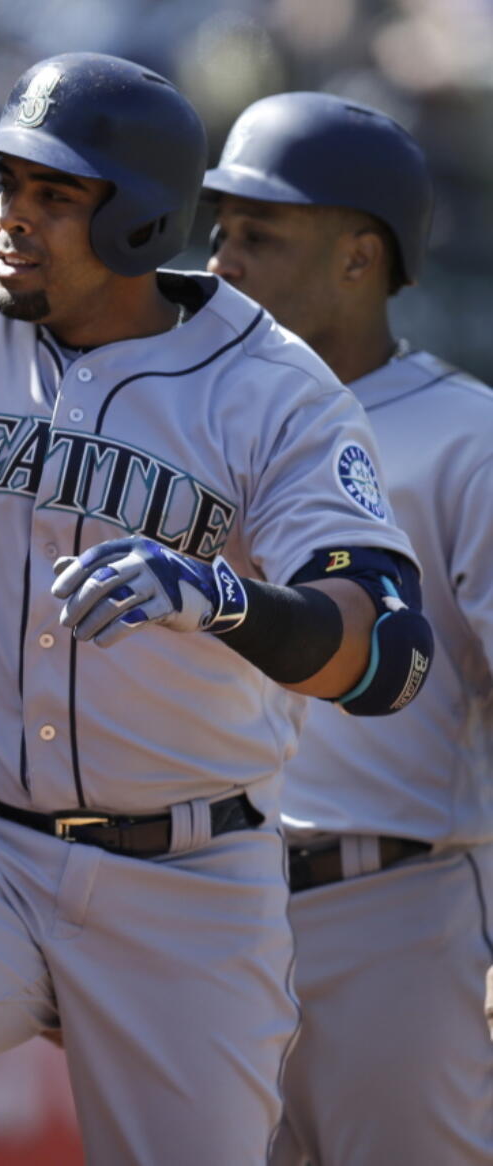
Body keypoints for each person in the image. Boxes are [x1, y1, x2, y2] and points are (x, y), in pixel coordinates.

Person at [0, 5, 434, 1163]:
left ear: (144, 218)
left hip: (189, 873)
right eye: (8, 186)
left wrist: (227, 601)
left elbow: (387, 652)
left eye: (57, 196)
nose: (11, 219)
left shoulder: (272, 391)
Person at [205, 91, 493, 1166]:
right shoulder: (201, 415)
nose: (222, 260)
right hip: (210, 913)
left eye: (260, 235)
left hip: (400, 910)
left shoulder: (465, 435)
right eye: (220, 231)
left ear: (358, 258)